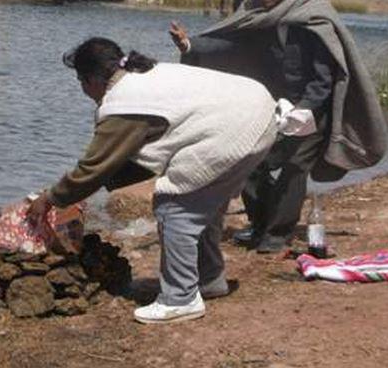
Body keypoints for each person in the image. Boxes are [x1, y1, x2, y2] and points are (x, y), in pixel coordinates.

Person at [26, 38, 277, 324]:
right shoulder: (143, 74)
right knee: (201, 205)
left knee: (175, 207)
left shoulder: (123, 104)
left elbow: (95, 167)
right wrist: (85, 188)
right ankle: (208, 279)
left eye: (81, 82)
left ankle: (180, 298)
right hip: (259, 112)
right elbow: (132, 163)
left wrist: (52, 198)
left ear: (92, 79)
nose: (83, 91)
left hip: (236, 128)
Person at [168, 0, 386, 253]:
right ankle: (260, 224)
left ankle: (279, 233)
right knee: (251, 164)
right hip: (272, 108)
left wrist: (305, 110)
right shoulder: (257, 15)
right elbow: (233, 48)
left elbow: (325, 76)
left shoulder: (312, 18)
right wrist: (191, 46)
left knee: (295, 167)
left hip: (311, 111)